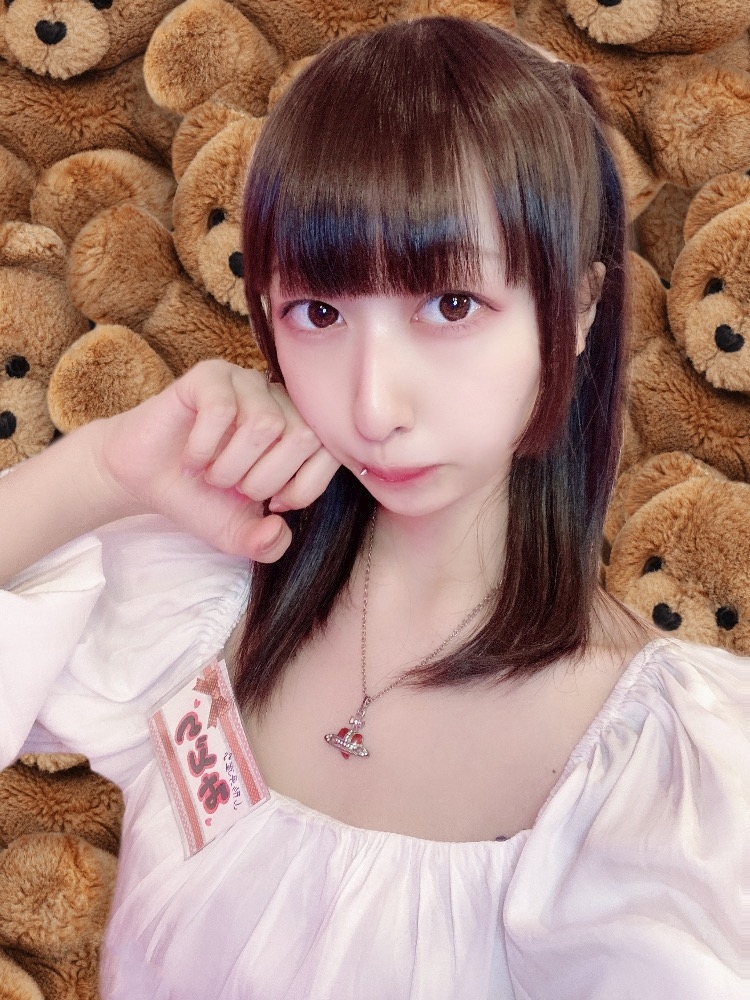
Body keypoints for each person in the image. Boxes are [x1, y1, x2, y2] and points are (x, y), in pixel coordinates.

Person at [0, 17, 744, 1000]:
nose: (372, 405)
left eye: (450, 306)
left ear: (577, 308)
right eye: (319, 312)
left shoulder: (671, 771)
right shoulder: (199, 606)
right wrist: (103, 466)